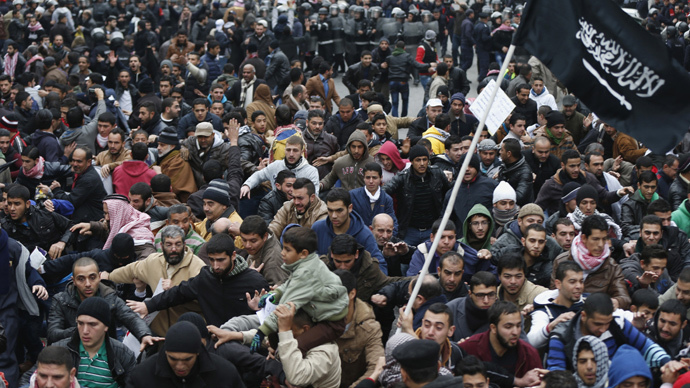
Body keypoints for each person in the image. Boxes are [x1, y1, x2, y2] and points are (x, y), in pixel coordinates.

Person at [127, 233, 268, 329]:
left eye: (221, 260)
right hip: (214, 343)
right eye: (211, 260)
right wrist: (149, 305)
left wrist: (257, 310)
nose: (215, 266)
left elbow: (270, 319)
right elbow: (179, 292)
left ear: (233, 256)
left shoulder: (254, 282)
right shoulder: (206, 277)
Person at [102, 225, 206, 336]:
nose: (174, 249)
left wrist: (175, 290)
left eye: (178, 244)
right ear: (161, 246)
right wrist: (108, 277)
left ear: (185, 245)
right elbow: (130, 271)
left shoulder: (197, 267)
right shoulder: (153, 262)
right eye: (169, 244)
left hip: (188, 334)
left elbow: (204, 302)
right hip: (158, 336)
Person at [546, 293, 670, 371]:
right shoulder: (561, 336)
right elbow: (557, 375)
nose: (603, 329)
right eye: (597, 324)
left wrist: (668, 363)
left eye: (607, 323)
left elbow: (647, 347)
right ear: (583, 316)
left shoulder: (618, 324)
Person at [47, 257, 153, 346]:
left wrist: (144, 334)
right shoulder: (61, 300)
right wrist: (81, 330)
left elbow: (130, 317)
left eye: (92, 278)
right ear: (73, 281)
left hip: (105, 351)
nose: (88, 283)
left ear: (99, 277)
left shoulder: (109, 297)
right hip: (71, 350)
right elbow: (53, 333)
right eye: (81, 279)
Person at [126, 321, 244, 388]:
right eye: (173, 359)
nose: (180, 366)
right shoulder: (142, 375)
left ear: (198, 353)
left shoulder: (224, 373)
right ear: (165, 352)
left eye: (187, 360)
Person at [51, 297, 136, 388]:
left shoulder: (123, 353)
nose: (85, 331)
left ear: (106, 326)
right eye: (80, 323)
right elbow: (36, 377)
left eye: (92, 324)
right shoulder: (59, 350)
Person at [459, 301, 544, 387]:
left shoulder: (528, 353)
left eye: (518, 326)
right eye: (508, 327)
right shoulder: (469, 347)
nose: (515, 332)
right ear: (493, 328)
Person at [384, 145, 452, 245]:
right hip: (410, 230)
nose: (422, 163)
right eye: (418, 160)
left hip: (432, 228)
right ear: (411, 161)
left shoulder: (437, 173)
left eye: (424, 160)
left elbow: (449, 191)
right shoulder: (403, 177)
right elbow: (384, 192)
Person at [312, 188, 387, 274]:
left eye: (339, 210)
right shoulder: (317, 228)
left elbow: (380, 266)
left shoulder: (364, 235)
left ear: (350, 208)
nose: (334, 216)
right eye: (330, 210)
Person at [331, 269, 385, 388]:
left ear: (352, 294)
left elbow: (376, 367)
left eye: (336, 295)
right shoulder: (315, 316)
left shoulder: (369, 328)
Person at [2, 184, 72, 258]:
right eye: (10, 204)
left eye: (17, 204)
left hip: (57, 261)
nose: (12, 208)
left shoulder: (44, 214)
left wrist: (62, 242)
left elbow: (71, 226)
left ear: (27, 204)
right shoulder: (5, 226)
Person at [529, 261, 585, 349]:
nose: (579, 286)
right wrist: (551, 326)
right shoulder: (545, 310)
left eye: (581, 281)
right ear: (558, 284)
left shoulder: (587, 304)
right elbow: (531, 341)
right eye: (572, 282)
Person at [241, 135, 320, 197]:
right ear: (284, 150)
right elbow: (259, 175)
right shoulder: (276, 165)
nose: (291, 154)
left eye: (295, 150)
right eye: (288, 150)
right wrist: (247, 185)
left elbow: (314, 196)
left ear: (302, 151)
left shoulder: (311, 172)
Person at [46, 147, 107, 224]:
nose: (75, 164)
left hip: (90, 222)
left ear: (88, 162)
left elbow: (70, 202)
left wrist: (56, 189)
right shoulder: (79, 172)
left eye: (79, 161)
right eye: (73, 160)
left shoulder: (88, 179)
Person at [496, 253, 547, 331]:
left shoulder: (538, 294)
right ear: (499, 276)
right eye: (507, 277)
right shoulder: (492, 296)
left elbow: (558, 299)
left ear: (524, 275)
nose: (513, 281)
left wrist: (537, 306)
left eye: (518, 276)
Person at [447, 271, 498, 341]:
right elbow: (440, 340)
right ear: (470, 293)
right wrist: (457, 347)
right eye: (480, 295)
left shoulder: (505, 314)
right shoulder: (452, 309)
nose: (486, 301)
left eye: (491, 295)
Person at [350, 162, 398, 233]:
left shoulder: (387, 199)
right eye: (368, 177)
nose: (371, 181)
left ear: (381, 178)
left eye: (374, 178)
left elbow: (393, 224)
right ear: (363, 178)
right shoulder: (352, 195)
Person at [239, 215, 288, 286]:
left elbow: (273, 291)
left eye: (253, 241)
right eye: (244, 240)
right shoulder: (258, 247)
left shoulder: (273, 261)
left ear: (265, 236)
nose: (247, 245)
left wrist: (252, 277)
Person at [180, 122, 232, 189]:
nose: (203, 140)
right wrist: (183, 148)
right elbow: (177, 145)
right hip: (194, 187)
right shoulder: (190, 143)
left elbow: (238, 162)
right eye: (200, 137)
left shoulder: (224, 149)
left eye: (206, 137)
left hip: (215, 188)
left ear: (213, 135)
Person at [155, 128, 198, 202]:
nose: (158, 148)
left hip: (180, 202)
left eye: (162, 145)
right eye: (158, 144)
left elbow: (171, 187)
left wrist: (159, 174)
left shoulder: (178, 161)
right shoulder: (166, 158)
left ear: (172, 146)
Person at [621, 171, 659, 240]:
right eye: (646, 187)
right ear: (639, 185)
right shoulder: (629, 205)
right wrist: (648, 228)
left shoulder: (660, 202)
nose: (650, 191)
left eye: (653, 187)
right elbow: (625, 228)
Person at [498, 138, 534, 206]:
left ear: (509, 154)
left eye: (502, 150)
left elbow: (519, 196)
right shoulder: (504, 167)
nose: (500, 152)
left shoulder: (525, 172)